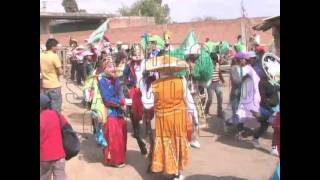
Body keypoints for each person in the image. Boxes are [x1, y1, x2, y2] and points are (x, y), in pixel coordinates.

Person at [147, 55, 193, 180]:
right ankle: (177, 172)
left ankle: (169, 168)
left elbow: (148, 104)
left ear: (160, 71)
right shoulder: (181, 80)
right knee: (177, 141)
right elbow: (188, 100)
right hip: (179, 117)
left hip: (163, 120)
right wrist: (192, 115)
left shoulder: (154, 85)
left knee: (167, 142)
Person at [98, 59, 127, 168]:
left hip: (119, 112)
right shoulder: (102, 81)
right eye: (109, 66)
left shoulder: (115, 79)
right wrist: (120, 102)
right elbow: (107, 99)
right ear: (104, 68)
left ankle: (119, 157)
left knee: (121, 136)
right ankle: (114, 160)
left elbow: (120, 94)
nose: (113, 69)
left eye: (113, 66)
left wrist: (122, 102)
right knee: (114, 137)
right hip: (110, 112)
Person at [123, 48, 148, 155]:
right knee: (134, 114)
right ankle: (138, 134)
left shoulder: (147, 63)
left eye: (139, 56)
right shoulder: (129, 65)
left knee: (147, 112)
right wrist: (129, 85)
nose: (137, 59)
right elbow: (124, 76)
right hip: (134, 91)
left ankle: (147, 130)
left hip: (146, 91)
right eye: (135, 56)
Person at [40, 94, 68, 180]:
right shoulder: (58, 115)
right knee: (61, 177)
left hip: (44, 157)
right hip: (60, 155)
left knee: (44, 177)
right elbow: (67, 129)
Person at [40, 38, 63, 112]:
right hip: (54, 85)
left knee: (47, 108)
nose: (57, 48)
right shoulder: (54, 56)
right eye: (56, 46)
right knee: (56, 109)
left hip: (45, 86)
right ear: (52, 46)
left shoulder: (41, 56)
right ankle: (56, 122)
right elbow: (60, 72)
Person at [205, 53, 225, 118]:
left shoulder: (217, 64)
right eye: (214, 60)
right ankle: (206, 112)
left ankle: (219, 112)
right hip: (210, 84)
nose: (215, 61)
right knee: (210, 99)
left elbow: (219, 73)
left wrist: (223, 80)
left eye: (215, 60)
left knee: (220, 98)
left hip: (217, 83)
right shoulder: (207, 66)